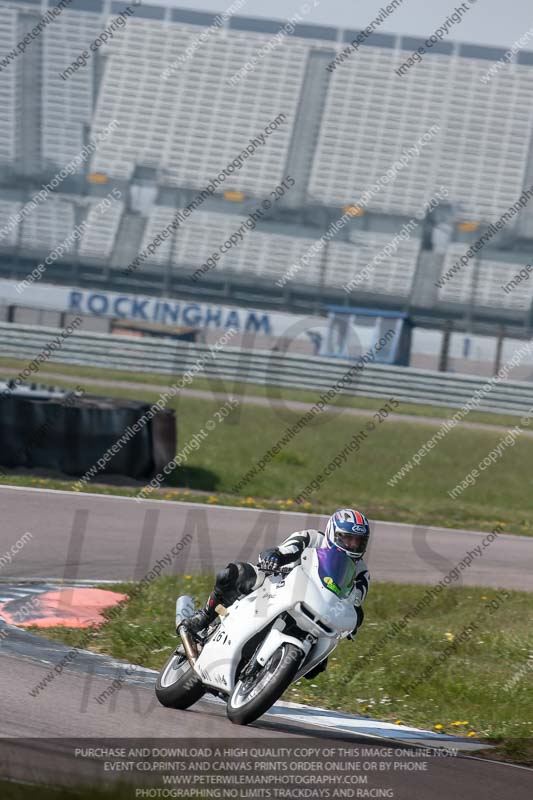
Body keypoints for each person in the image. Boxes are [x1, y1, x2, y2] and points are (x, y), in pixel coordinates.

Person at [182, 509, 371, 676]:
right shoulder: (312, 538)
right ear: (333, 533)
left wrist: (354, 621)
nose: (352, 545)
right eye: (347, 538)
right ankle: (205, 616)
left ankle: (271, 675)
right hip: (278, 584)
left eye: (358, 541)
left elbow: (354, 603)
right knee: (234, 573)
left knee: (317, 666)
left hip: (318, 608)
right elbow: (286, 549)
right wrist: (274, 557)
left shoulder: (361, 572)